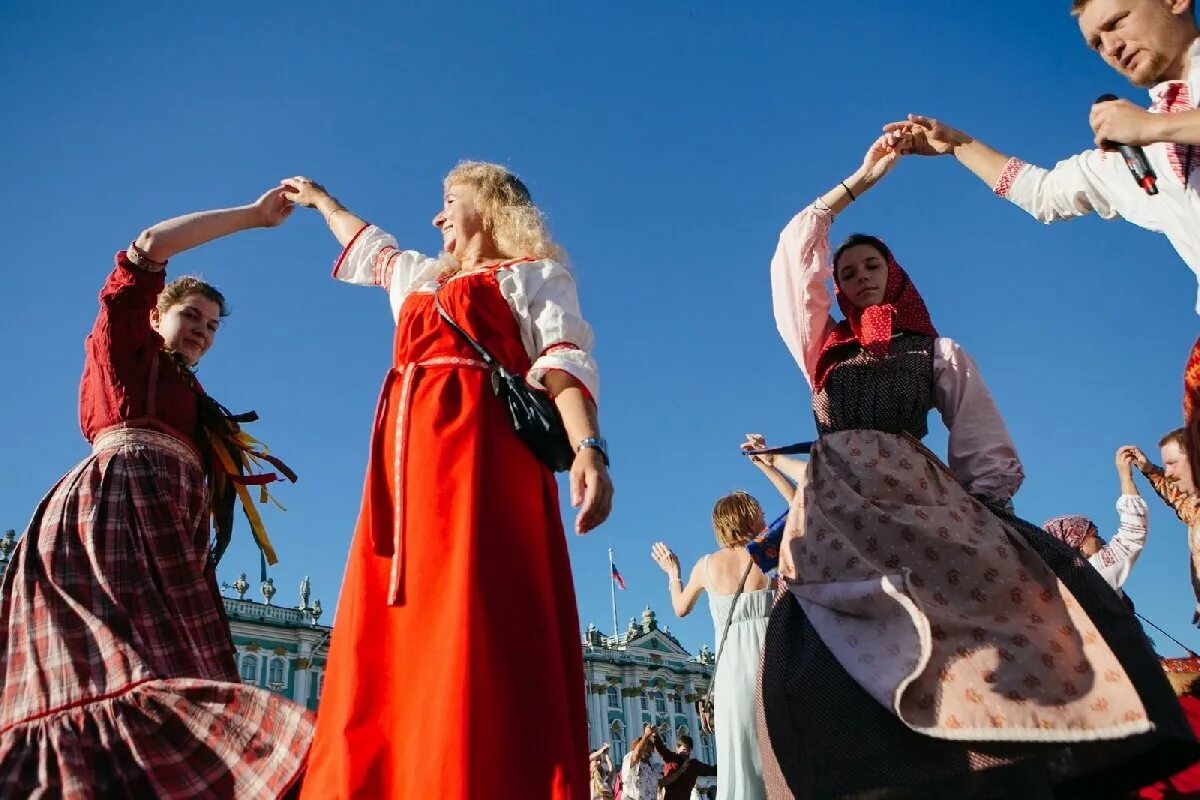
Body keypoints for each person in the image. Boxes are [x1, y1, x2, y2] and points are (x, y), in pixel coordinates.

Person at [757, 132, 1196, 799]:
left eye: (869, 265)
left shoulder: (938, 352)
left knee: (987, 608)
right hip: (835, 502)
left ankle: (1006, 748)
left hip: (914, 486)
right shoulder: (821, 350)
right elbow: (795, 246)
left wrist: (988, 508)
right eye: (844, 272)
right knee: (817, 629)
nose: (856, 276)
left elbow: (979, 434)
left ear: (893, 272)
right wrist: (861, 181)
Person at [283, 165, 613, 799]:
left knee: (478, 612)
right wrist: (322, 200)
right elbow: (369, 245)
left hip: (482, 458)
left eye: (449, 203)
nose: (436, 218)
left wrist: (588, 450)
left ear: (488, 211)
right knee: (396, 620)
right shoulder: (417, 277)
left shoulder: (533, 275)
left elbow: (563, 362)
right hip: (403, 472)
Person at [0, 187, 313, 798]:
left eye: (212, 326)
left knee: (174, 667)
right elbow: (148, 247)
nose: (201, 330)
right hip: (117, 513)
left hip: (169, 530)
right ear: (154, 314)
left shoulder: (189, 395)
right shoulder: (124, 345)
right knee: (121, 670)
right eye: (190, 315)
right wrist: (252, 217)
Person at [883, 0, 1200, 492]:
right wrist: (957, 146)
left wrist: (1154, 128)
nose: (1111, 46)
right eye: (1096, 42)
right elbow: (1044, 194)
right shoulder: (1137, 150)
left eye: (1117, 22)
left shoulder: (1145, 128)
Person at [651, 491, 772, 800]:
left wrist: (672, 573)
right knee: (780, 747)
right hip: (773, 661)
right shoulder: (771, 555)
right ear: (749, 518)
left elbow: (680, 608)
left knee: (741, 755)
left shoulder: (706, 566)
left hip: (732, 674)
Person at [1043, 446, 1151, 594]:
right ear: (1077, 543)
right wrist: (1126, 476)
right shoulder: (1093, 573)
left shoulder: (1054, 585)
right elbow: (1134, 531)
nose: (1101, 540)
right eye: (1094, 536)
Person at [1128, 428, 1200, 624]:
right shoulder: (1195, 509)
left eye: (1172, 463)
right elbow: (1177, 498)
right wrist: (1149, 469)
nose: (1168, 473)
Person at [651, 733, 717, 800]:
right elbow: (661, 748)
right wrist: (655, 735)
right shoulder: (671, 758)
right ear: (677, 748)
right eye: (684, 750)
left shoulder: (694, 765)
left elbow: (711, 770)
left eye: (689, 750)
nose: (687, 753)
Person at [619, 731, 660, 800]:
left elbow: (661, 781)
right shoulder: (630, 758)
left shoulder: (649, 766)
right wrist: (646, 736)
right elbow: (636, 755)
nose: (650, 755)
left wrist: (680, 771)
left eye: (651, 752)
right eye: (647, 752)